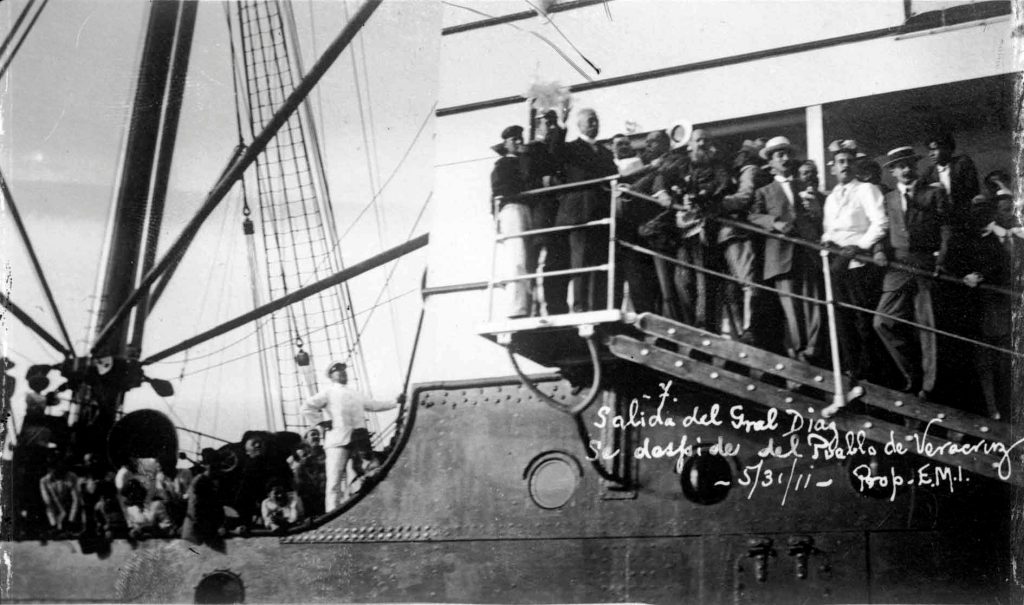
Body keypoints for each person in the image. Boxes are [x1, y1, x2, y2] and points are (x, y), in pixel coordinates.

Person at [873, 147, 951, 400]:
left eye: (909, 164)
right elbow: (882, 228)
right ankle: (912, 373)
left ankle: (930, 387)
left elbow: (946, 229)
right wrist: (878, 250)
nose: (906, 170)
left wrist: (942, 260)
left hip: (926, 262)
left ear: (915, 167)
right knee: (882, 322)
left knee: (928, 326)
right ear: (892, 172)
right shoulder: (888, 198)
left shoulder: (934, 192)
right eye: (900, 166)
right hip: (898, 265)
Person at [749, 136, 824, 361]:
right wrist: (775, 223)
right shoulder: (764, 191)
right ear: (771, 162)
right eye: (779, 155)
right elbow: (753, 216)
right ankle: (800, 352)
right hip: (781, 255)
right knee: (792, 306)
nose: (785, 158)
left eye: (788, 154)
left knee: (814, 303)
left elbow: (820, 218)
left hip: (807, 252)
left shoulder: (805, 186)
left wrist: (815, 211)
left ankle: (813, 351)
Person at [821, 145, 888, 384]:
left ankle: (870, 372)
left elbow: (880, 223)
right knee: (842, 317)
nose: (845, 165)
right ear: (834, 167)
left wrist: (860, 246)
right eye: (840, 161)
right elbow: (829, 229)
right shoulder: (831, 198)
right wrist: (826, 243)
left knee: (862, 318)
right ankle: (852, 369)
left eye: (849, 161)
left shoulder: (867, 189)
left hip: (859, 263)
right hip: (835, 263)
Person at [303, 362, 402, 511]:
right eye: (338, 371)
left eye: (344, 370)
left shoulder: (356, 393)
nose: (343, 373)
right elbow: (306, 407)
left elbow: (373, 405)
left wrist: (395, 402)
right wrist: (321, 423)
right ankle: (332, 512)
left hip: (359, 441)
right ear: (331, 376)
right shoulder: (328, 393)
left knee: (366, 475)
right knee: (334, 481)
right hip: (337, 442)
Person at [552, 108, 618, 312]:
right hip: (579, 212)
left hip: (601, 211)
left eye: (596, 120)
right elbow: (555, 150)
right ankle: (580, 305)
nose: (594, 124)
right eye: (590, 121)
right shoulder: (571, 148)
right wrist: (561, 124)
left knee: (600, 260)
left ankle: (597, 306)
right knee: (580, 259)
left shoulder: (605, 153)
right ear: (579, 125)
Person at [718, 139, 771, 341]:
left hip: (737, 231)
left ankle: (745, 330)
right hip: (737, 232)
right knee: (745, 282)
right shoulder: (745, 172)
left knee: (746, 281)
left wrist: (718, 203)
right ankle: (745, 330)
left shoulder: (749, 171)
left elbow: (744, 196)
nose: (739, 158)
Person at [490, 124, 535, 318]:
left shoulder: (522, 161)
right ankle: (517, 308)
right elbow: (503, 189)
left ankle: (527, 305)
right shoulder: (504, 164)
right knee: (517, 257)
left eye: (519, 138)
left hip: (525, 209)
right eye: (513, 139)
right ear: (505, 144)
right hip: (512, 209)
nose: (518, 142)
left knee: (527, 257)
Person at [181, 448, 226, 547]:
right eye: (214, 465)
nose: (217, 468)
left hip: (204, 530)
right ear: (207, 466)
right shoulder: (200, 481)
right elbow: (195, 508)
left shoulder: (212, 481)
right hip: (196, 532)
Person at [39, 455, 82, 536]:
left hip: (69, 512)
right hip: (54, 512)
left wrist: (71, 520)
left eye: (61, 465)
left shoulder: (72, 477)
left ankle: (69, 527)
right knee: (48, 506)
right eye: (54, 466)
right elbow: (48, 502)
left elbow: (76, 500)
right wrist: (55, 523)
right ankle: (53, 527)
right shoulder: (44, 481)